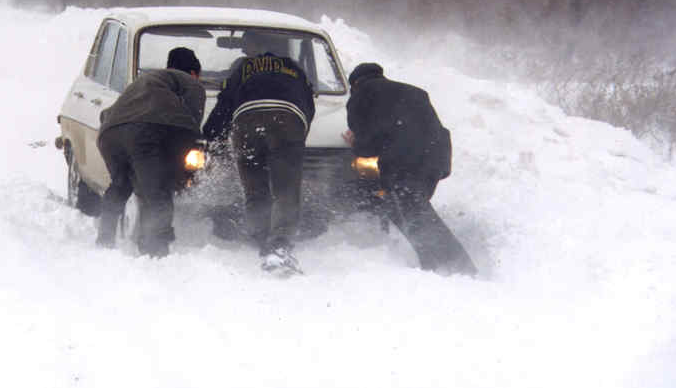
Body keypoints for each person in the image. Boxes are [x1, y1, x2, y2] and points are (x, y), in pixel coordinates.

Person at [344, 62, 477, 276]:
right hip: (436, 156)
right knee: (408, 211)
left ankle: (461, 269)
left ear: (355, 84)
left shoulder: (361, 95)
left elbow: (367, 141)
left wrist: (355, 143)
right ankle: (435, 265)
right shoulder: (414, 91)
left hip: (406, 160)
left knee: (414, 213)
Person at [203, 31, 315, 275]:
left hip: (246, 125)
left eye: (246, 46)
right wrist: (296, 138)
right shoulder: (295, 69)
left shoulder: (242, 69)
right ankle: (280, 245)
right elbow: (308, 104)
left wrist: (212, 135)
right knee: (286, 190)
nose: (244, 51)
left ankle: (260, 238)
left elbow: (224, 105)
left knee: (255, 188)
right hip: (288, 122)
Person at [95, 47, 205, 257]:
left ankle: (104, 240)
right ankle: (156, 249)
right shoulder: (191, 83)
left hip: (110, 135)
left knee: (121, 185)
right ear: (194, 73)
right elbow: (191, 125)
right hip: (143, 133)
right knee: (158, 191)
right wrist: (184, 173)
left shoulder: (148, 81)